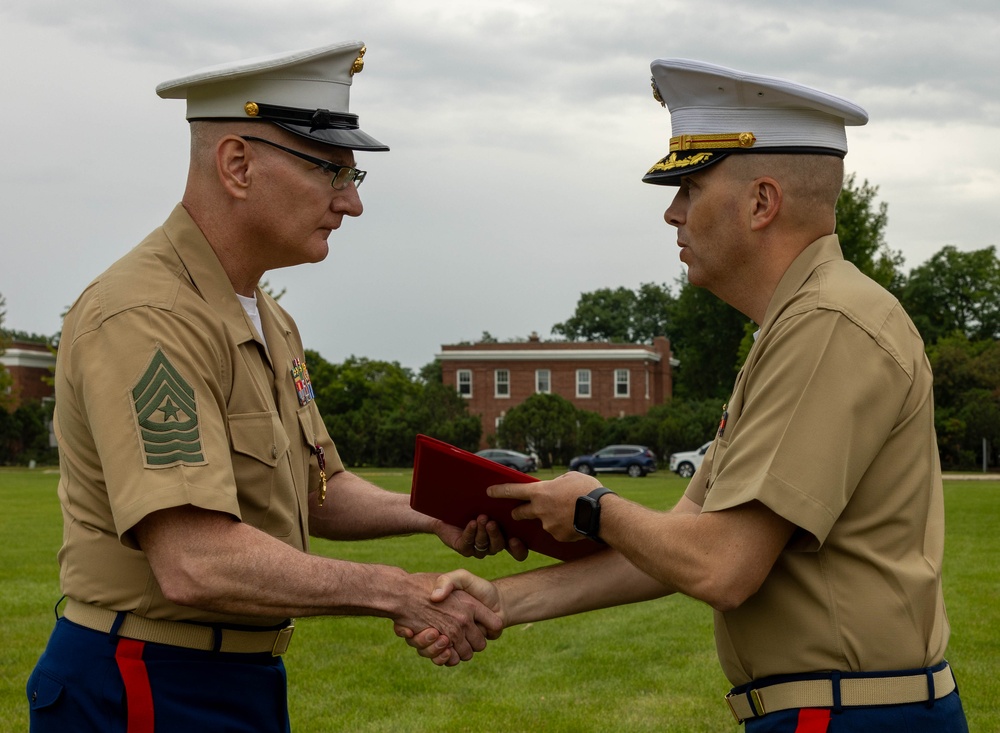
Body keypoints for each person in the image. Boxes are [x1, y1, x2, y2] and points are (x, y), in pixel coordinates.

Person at [401, 59, 970, 732]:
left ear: (762, 202)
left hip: (851, 714)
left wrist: (591, 504)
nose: (672, 213)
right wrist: (499, 598)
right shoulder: (795, 327)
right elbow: (680, 544)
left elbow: (722, 566)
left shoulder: (826, 326)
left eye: (690, 187)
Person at [26, 41, 523, 732]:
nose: (350, 202)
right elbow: (195, 559)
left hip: (237, 676)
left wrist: (430, 513)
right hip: (146, 680)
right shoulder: (148, 317)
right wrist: (400, 591)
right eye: (331, 170)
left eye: (353, 177)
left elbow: (318, 488)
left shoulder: (265, 314)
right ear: (237, 165)